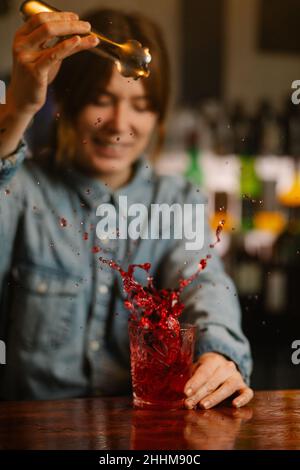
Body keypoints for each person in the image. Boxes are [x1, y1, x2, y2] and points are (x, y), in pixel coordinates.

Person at [0, 7, 253, 408]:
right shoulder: (20, 188)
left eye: (141, 105)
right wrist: (16, 111)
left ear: (159, 115)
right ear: (68, 99)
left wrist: (219, 353)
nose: (120, 123)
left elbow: (206, 286)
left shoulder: (177, 201)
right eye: (101, 100)